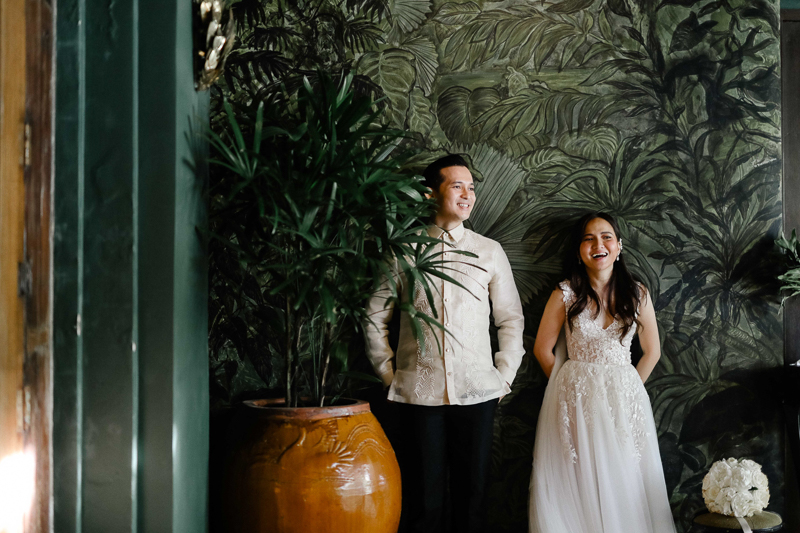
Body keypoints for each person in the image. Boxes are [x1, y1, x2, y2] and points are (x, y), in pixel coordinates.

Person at [364, 154, 525, 533]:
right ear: (430, 194)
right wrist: (390, 376)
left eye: (471, 188)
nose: (468, 195)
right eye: (457, 186)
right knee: (424, 503)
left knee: (473, 501)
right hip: (418, 396)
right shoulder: (405, 250)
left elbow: (510, 319)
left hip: (478, 393)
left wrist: (503, 377)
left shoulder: (489, 251)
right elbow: (374, 316)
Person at [529, 212, 676, 533]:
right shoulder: (565, 293)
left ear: (618, 246)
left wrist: (628, 388)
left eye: (606, 237)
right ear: (579, 250)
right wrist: (568, 388)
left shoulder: (637, 293)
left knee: (624, 474)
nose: (599, 245)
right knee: (578, 475)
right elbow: (542, 349)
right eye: (589, 239)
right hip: (574, 401)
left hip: (624, 400)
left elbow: (652, 351)